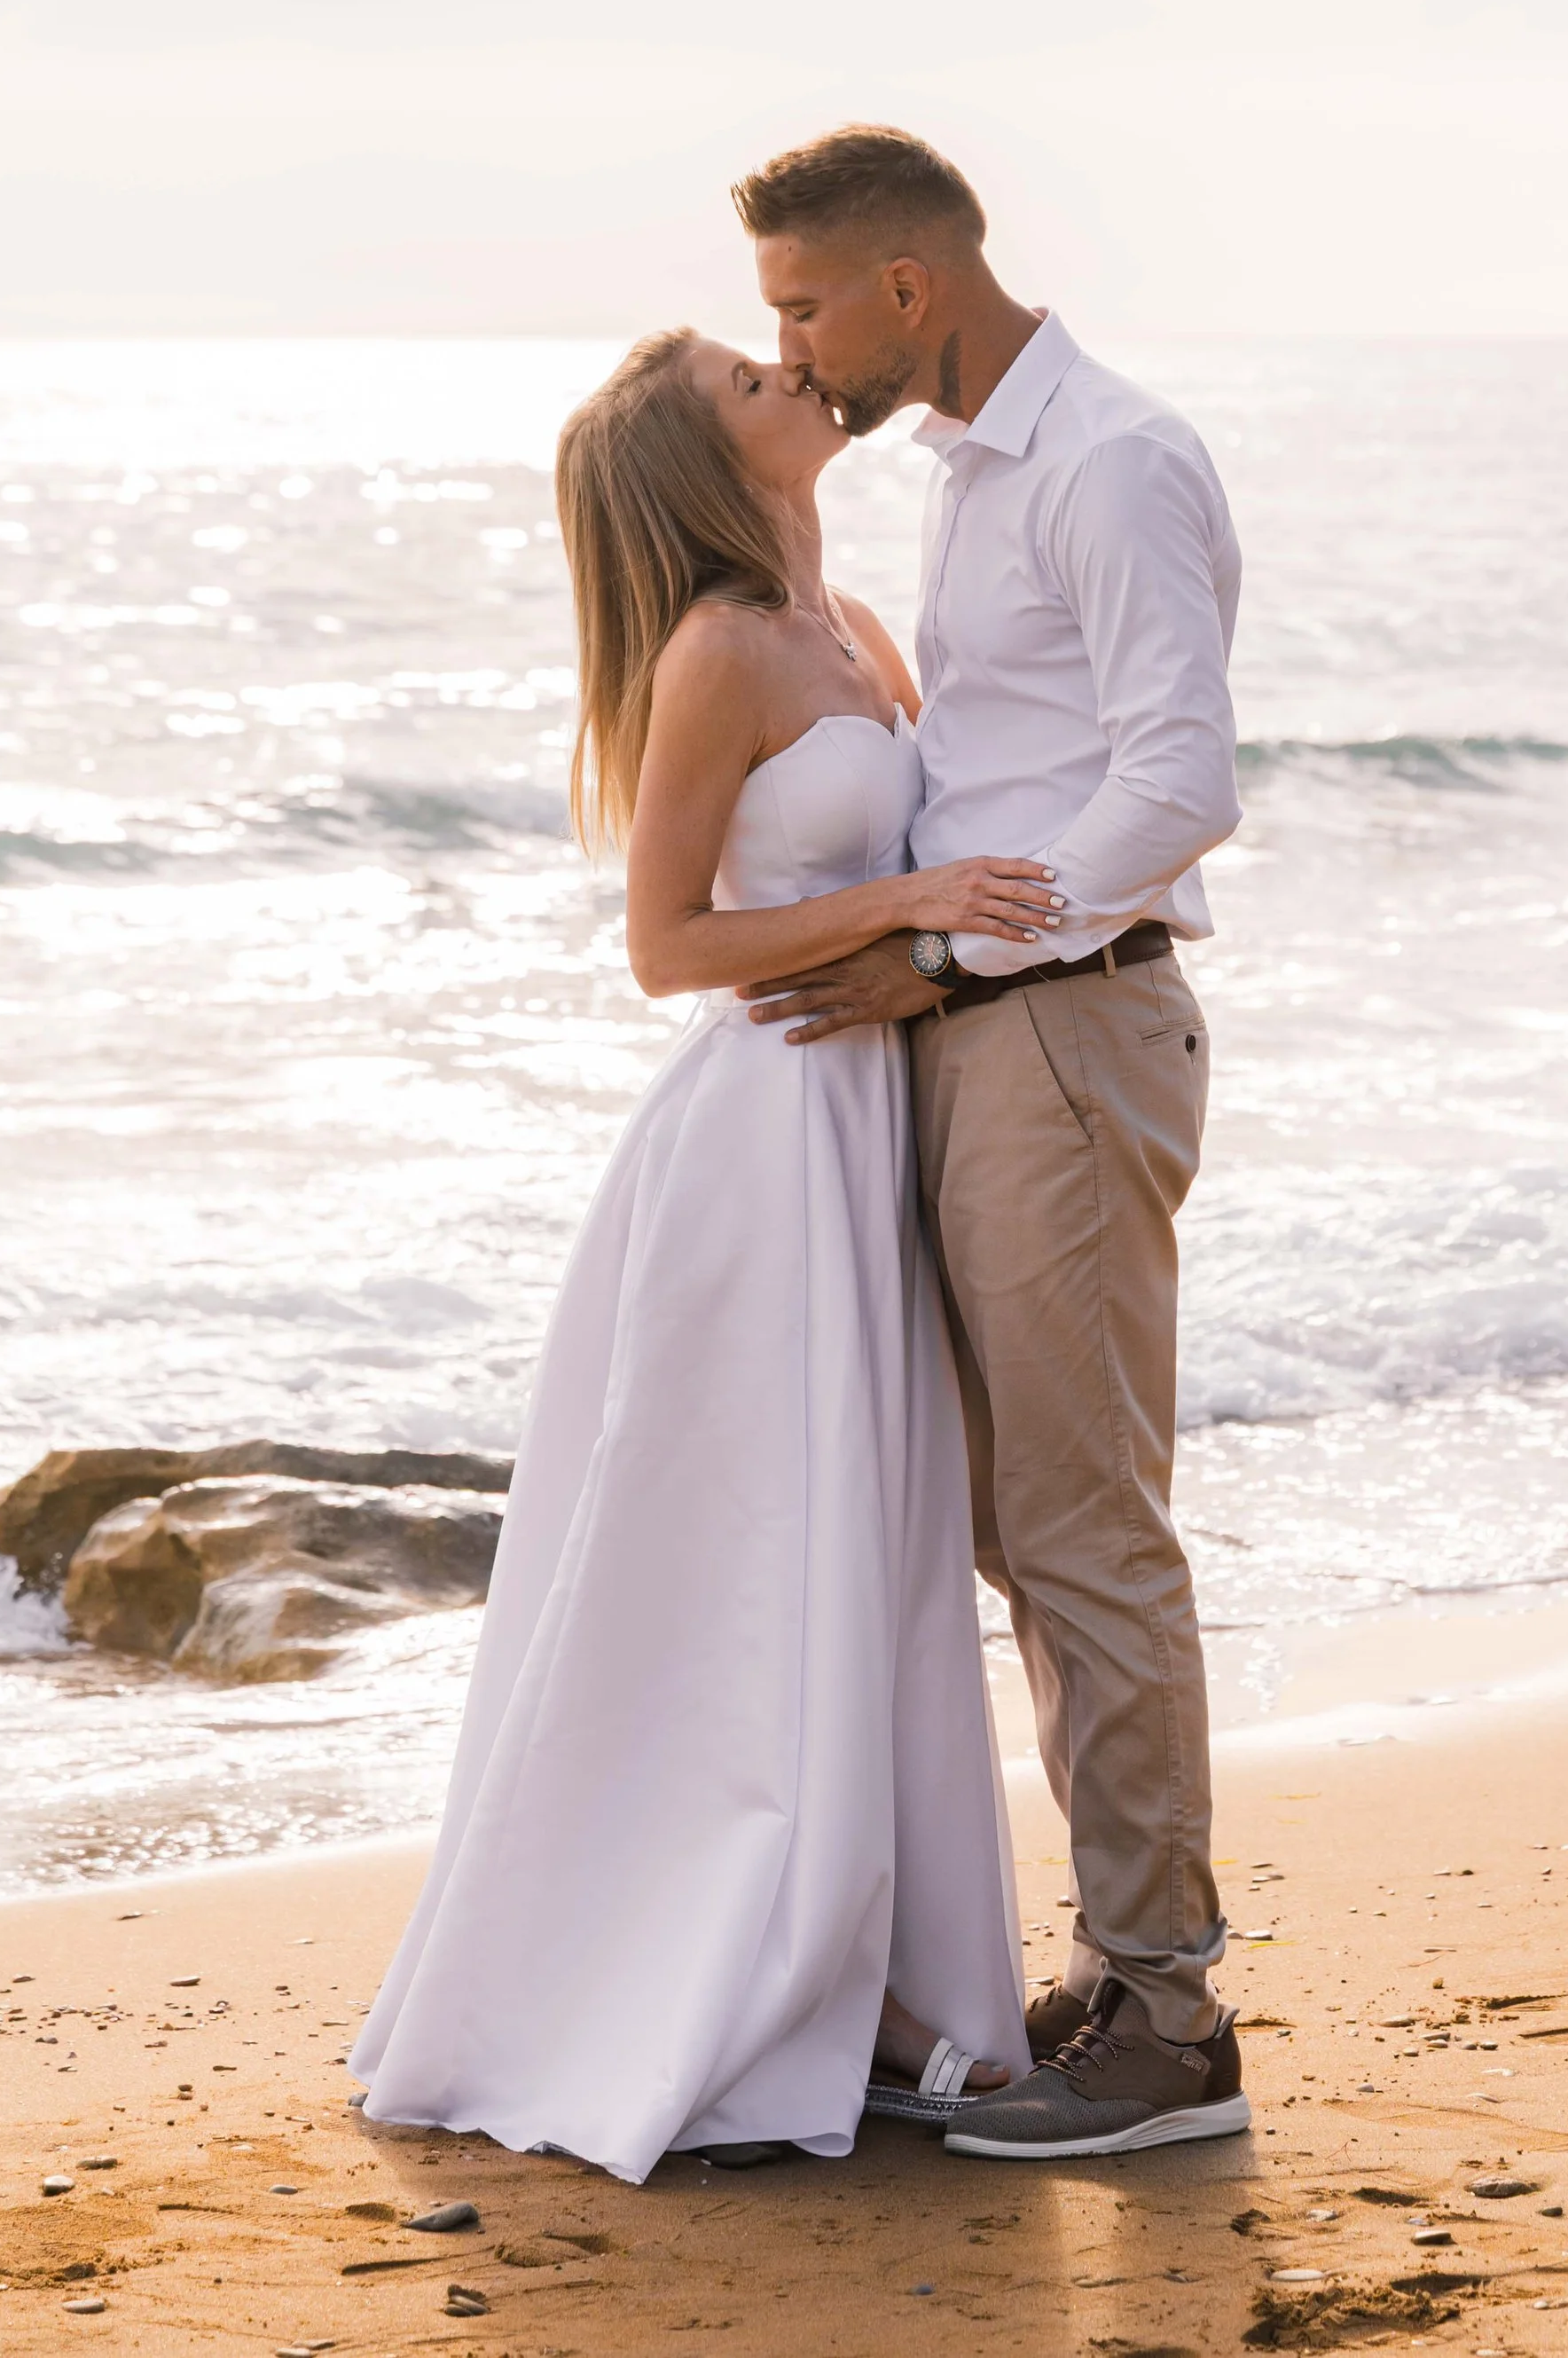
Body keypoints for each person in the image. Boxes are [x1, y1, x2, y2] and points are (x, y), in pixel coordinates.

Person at [349, 326, 1051, 2177]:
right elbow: (666, 946)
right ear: (705, 460)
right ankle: (774, 1980)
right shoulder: (719, 652)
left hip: (868, 1130)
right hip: (756, 1151)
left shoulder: (857, 637)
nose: (798, 375)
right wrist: (902, 899)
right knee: (757, 1559)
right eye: (755, 378)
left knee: (874, 1554)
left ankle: (884, 1976)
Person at [733, 123, 1251, 2160]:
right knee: (1003, 1521)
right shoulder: (972, 471)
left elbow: (1178, 777)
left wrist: (943, 965)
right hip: (983, 1032)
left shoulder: (1110, 459)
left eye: (800, 308)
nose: (789, 346)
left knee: (1080, 1528)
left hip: (1053, 1032)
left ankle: (1169, 2023)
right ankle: (1119, 1966)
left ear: (906, 291)